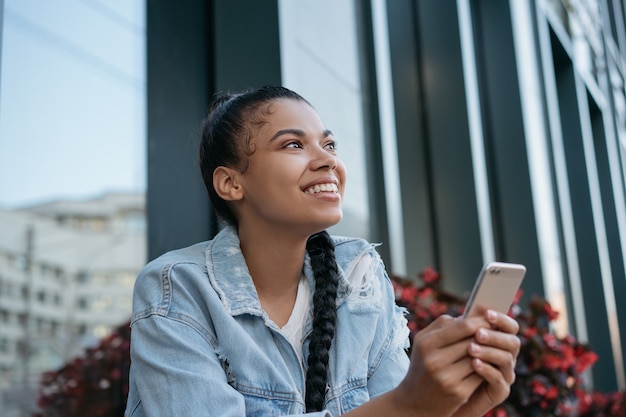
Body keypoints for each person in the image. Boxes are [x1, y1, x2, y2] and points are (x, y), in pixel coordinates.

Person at [124, 85, 520, 417]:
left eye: (329, 144)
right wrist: (410, 404)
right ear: (231, 183)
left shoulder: (359, 273)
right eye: (294, 144)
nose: (328, 160)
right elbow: (401, 408)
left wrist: (452, 409)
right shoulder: (177, 288)